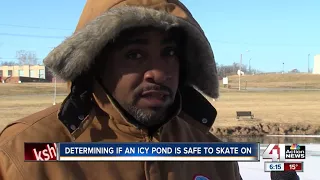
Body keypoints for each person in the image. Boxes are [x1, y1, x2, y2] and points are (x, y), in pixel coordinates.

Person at [0, 0, 242, 179]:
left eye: (169, 53)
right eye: (134, 54)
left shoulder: (213, 155)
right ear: (95, 62)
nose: (157, 73)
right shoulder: (24, 153)